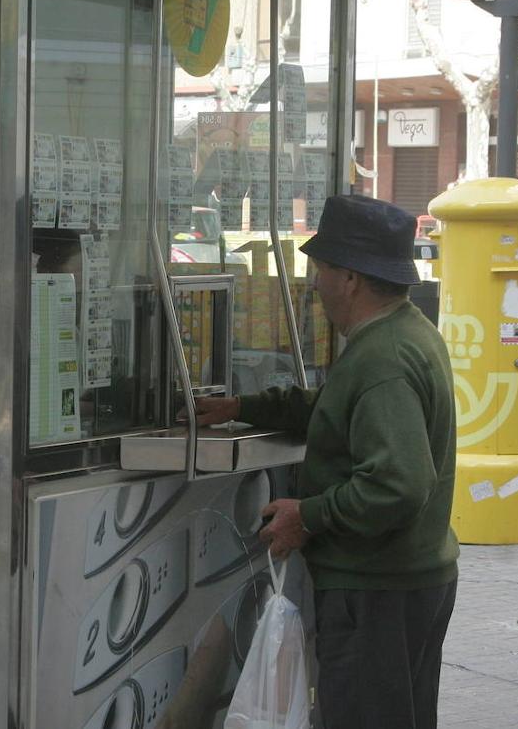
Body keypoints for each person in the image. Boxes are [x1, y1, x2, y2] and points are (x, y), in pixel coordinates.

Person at [193, 194, 459, 729]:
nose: (314, 284)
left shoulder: (384, 357)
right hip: (406, 580)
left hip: (377, 589)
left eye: (321, 269)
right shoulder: (400, 334)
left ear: (351, 278)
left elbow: (400, 484)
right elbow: (337, 407)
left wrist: (308, 515)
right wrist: (244, 406)